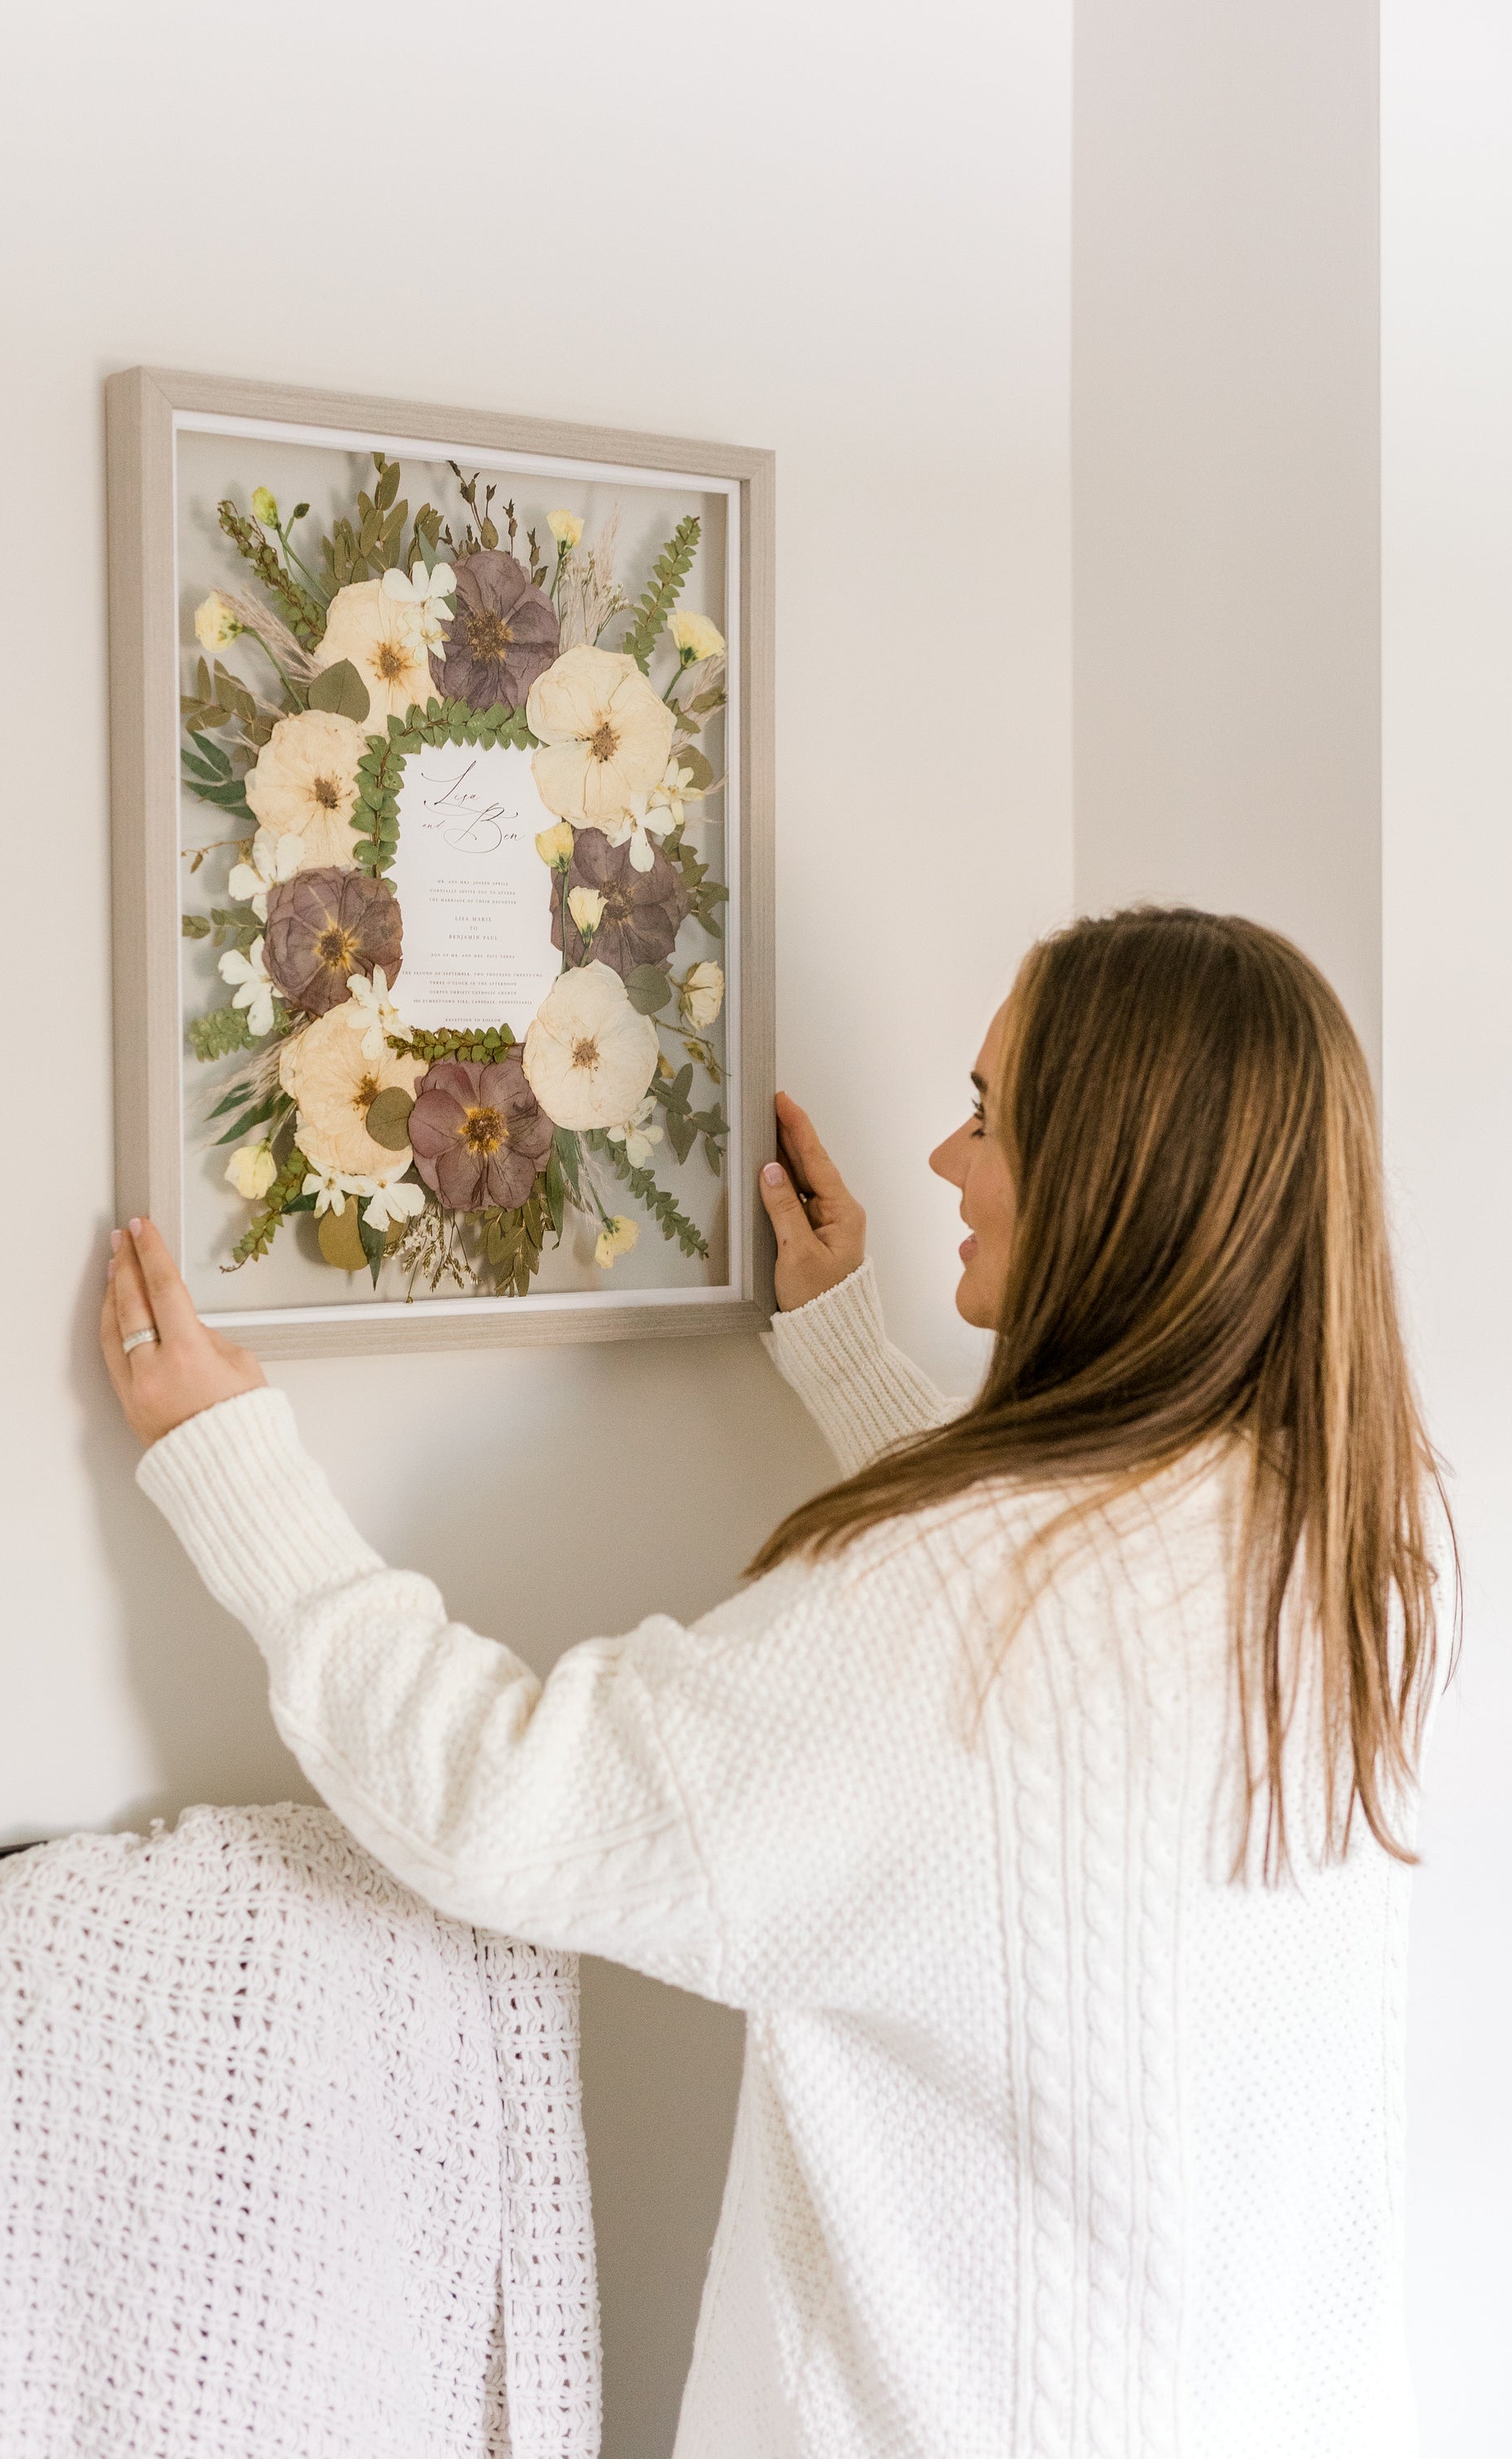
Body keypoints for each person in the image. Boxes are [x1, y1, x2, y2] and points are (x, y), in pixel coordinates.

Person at [102, 906, 1451, 2459]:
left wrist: (233, 1473)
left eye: (988, 1116)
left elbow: (499, 1802)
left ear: (1110, 1185)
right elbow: (1040, 1710)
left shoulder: (943, 1613)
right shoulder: (1358, 1543)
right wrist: (851, 1358)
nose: (947, 1161)